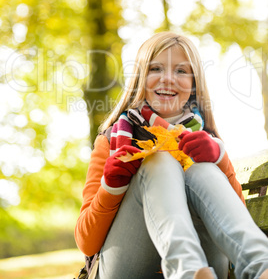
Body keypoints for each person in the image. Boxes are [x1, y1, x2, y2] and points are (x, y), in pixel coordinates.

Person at [75, 31, 268, 279]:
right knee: (160, 160)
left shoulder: (206, 139)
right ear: (140, 79)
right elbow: (86, 244)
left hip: (208, 264)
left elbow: (231, 220)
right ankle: (186, 270)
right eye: (156, 68)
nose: (168, 79)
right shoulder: (111, 140)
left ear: (194, 82)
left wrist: (219, 158)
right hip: (127, 265)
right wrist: (111, 188)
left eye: (181, 71)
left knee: (202, 169)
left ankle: (261, 267)